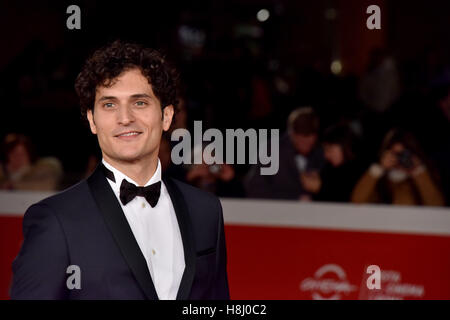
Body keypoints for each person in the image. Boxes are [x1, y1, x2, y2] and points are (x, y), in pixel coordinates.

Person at [10, 40, 229, 300]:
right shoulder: (55, 221)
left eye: (140, 103)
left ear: (167, 116)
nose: (125, 118)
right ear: (92, 120)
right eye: (109, 105)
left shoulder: (206, 211)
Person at [244, 107, 325, 200]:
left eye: (310, 139)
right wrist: (294, 199)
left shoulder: (321, 152)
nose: (306, 143)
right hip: (275, 211)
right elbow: (254, 190)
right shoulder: (272, 150)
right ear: (292, 134)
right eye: (302, 139)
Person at [351, 128, 445, 206]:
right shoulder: (380, 181)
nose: (400, 160)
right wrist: (379, 168)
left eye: (404, 154)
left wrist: (418, 171)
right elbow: (357, 200)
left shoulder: (424, 177)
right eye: (395, 154)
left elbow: (437, 206)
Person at [315, 124, 366, 202]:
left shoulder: (360, 170)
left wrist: (320, 187)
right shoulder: (328, 168)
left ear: (344, 146)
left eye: (329, 149)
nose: (326, 155)